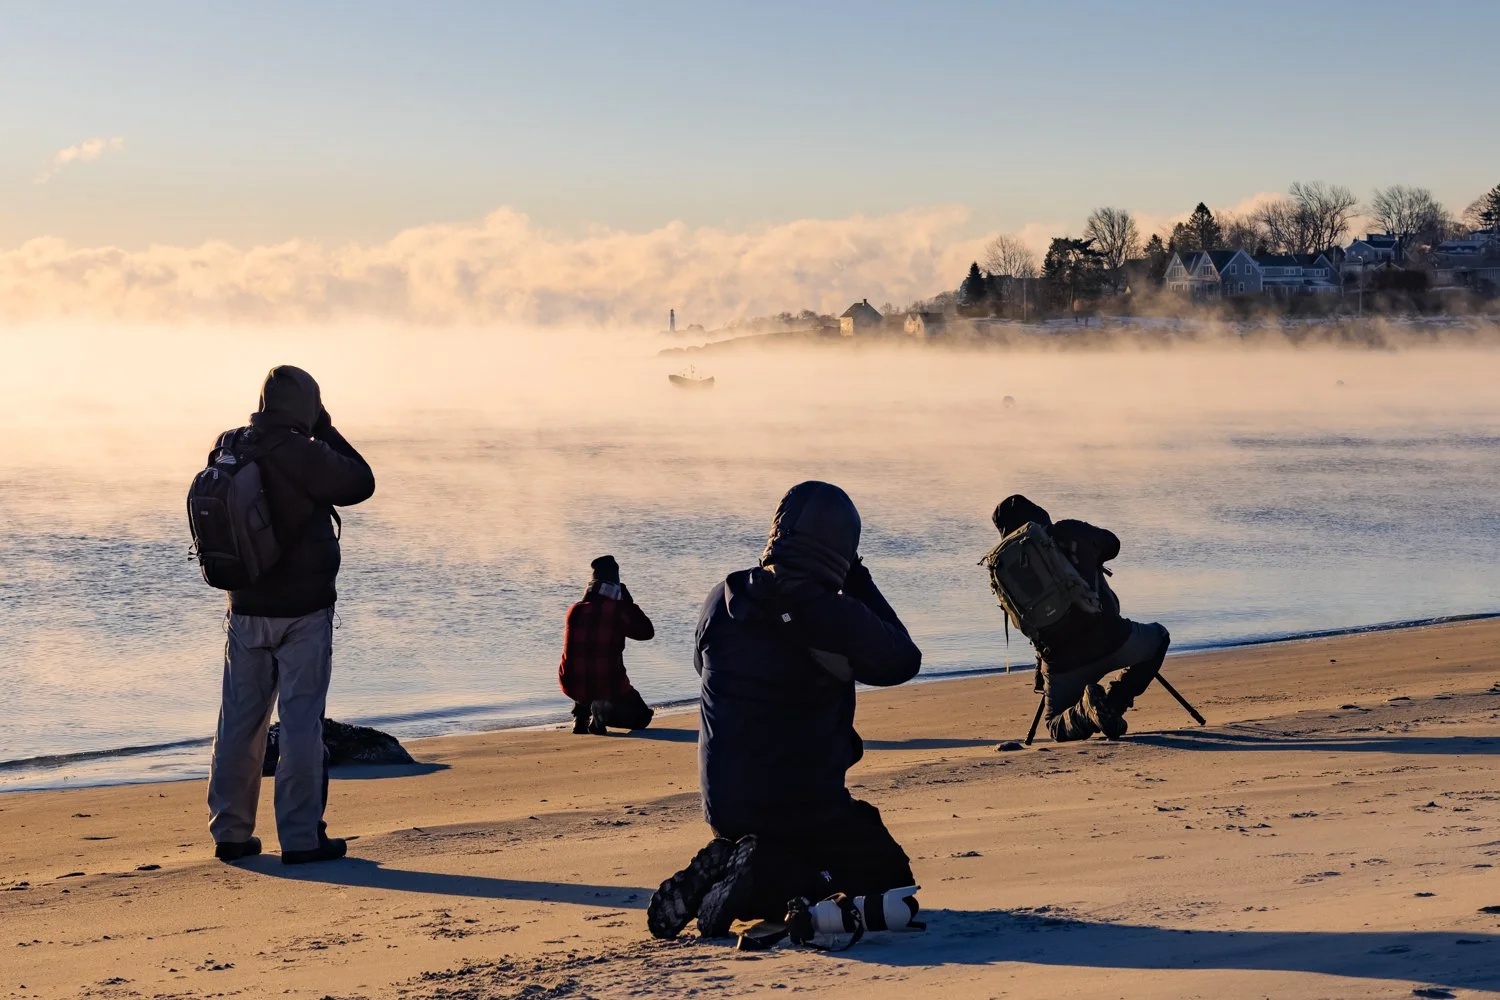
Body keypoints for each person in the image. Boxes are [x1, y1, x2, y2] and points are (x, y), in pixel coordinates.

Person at [647, 481, 922, 940]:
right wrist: (860, 581)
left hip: (724, 804)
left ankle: (732, 860)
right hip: (803, 803)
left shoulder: (722, 598)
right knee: (889, 883)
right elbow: (902, 660)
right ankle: (755, 881)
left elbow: (701, 665)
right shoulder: (830, 613)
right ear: (841, 548)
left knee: (808, 849)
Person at [206, 366, 376, 865]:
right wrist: (325, 427)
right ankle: (301, 838)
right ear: (306, 404)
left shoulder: (229, 443)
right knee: (301, 722)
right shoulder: (304, 451)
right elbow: (361, 481)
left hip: (245, 606)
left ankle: (231, 833)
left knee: (239, 721)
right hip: (303, 611)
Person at [991, 494, 1169, 743]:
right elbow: (1113, 544)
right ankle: (1113, 703)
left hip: (1060, 662)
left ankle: (1086, 712)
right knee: (1159, 637)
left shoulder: (1004, 567)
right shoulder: (1068, 530)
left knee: (1055, 724)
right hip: (1111, 638)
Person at [558, 555, 656, 735]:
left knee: (586, 664)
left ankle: (581, 716)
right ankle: (599, 713)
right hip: (608, 684)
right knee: (642, 717)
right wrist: (629, 604)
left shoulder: (575, 610)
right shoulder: (617, 611)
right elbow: (646, 632)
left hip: (572, 683)